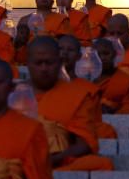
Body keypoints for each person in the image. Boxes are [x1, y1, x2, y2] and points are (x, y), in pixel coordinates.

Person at [27, 37, 114, 171]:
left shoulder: (76, 94)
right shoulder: (14, 94)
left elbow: (84, 144)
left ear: (59, 62)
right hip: (20, 161)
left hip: (59, 161)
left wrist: (54, 159)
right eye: (38, 63)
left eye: (49, 63)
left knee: (103, 164)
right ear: (28, 63)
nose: (44, 68)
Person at [57, 35, 115, 139]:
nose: (64, 53)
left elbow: (94, 121)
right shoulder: (46, 83)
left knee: (106, 131)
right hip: (54, 131)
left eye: (70, 50)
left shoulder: (90, 89)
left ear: (79, 56)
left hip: (80, 132)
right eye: (60, 49)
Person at [94, 38, 129, 114]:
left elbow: (128, 108)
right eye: (98, 55)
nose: (102, 58)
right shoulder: (86, 78)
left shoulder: (125, 80)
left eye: (106, 54)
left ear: (114, 54)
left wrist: (113, 107)